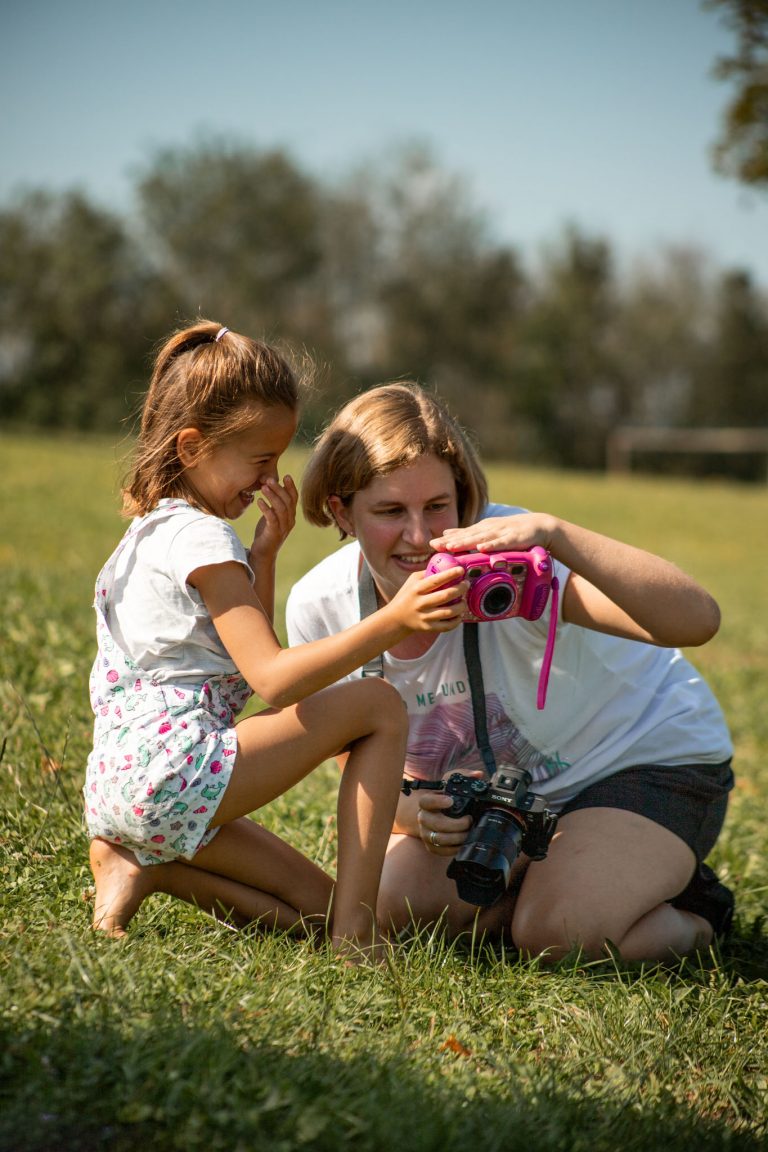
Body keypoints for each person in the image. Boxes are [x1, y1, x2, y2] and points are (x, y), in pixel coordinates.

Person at [286, 382, 735, 963]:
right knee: (391, 908)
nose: (420, 536)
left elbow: (696, 621)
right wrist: (401, 808)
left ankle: (698, 913)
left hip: (642, 761)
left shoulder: (513, 557)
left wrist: (557, 535)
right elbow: (347, 741)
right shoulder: (320, 605)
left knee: (556, 935)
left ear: (464, 497)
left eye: (437, 506)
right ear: (340, 511)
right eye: (391, 511)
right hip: (508, 797)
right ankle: (568, 886)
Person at [84, 324, 467, 961]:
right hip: (181, 771)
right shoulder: (203, 538)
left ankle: (150, 868)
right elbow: (271, 678)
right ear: (191, 446)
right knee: (377, 705)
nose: (270, 478)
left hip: (123, 787)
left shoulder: (149, 533)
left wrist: (263, 558)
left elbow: (237, 655)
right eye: (260, 460)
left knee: (313, 911)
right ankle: (357, 939)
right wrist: (396, 620)